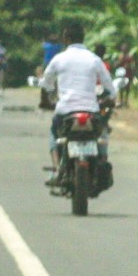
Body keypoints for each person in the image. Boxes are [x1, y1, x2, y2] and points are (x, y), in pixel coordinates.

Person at [41, 22, 118, 179]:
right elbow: (110, 87)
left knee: (54, 134)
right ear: (82, 39)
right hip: (91, 110)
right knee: (101, 133)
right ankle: (102, 159)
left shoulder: (59, 59)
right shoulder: (94, 59)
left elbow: (46, 84)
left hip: (65, 111)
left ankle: (56, 169)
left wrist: (46, 102)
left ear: (66, 39)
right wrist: (110, 100)